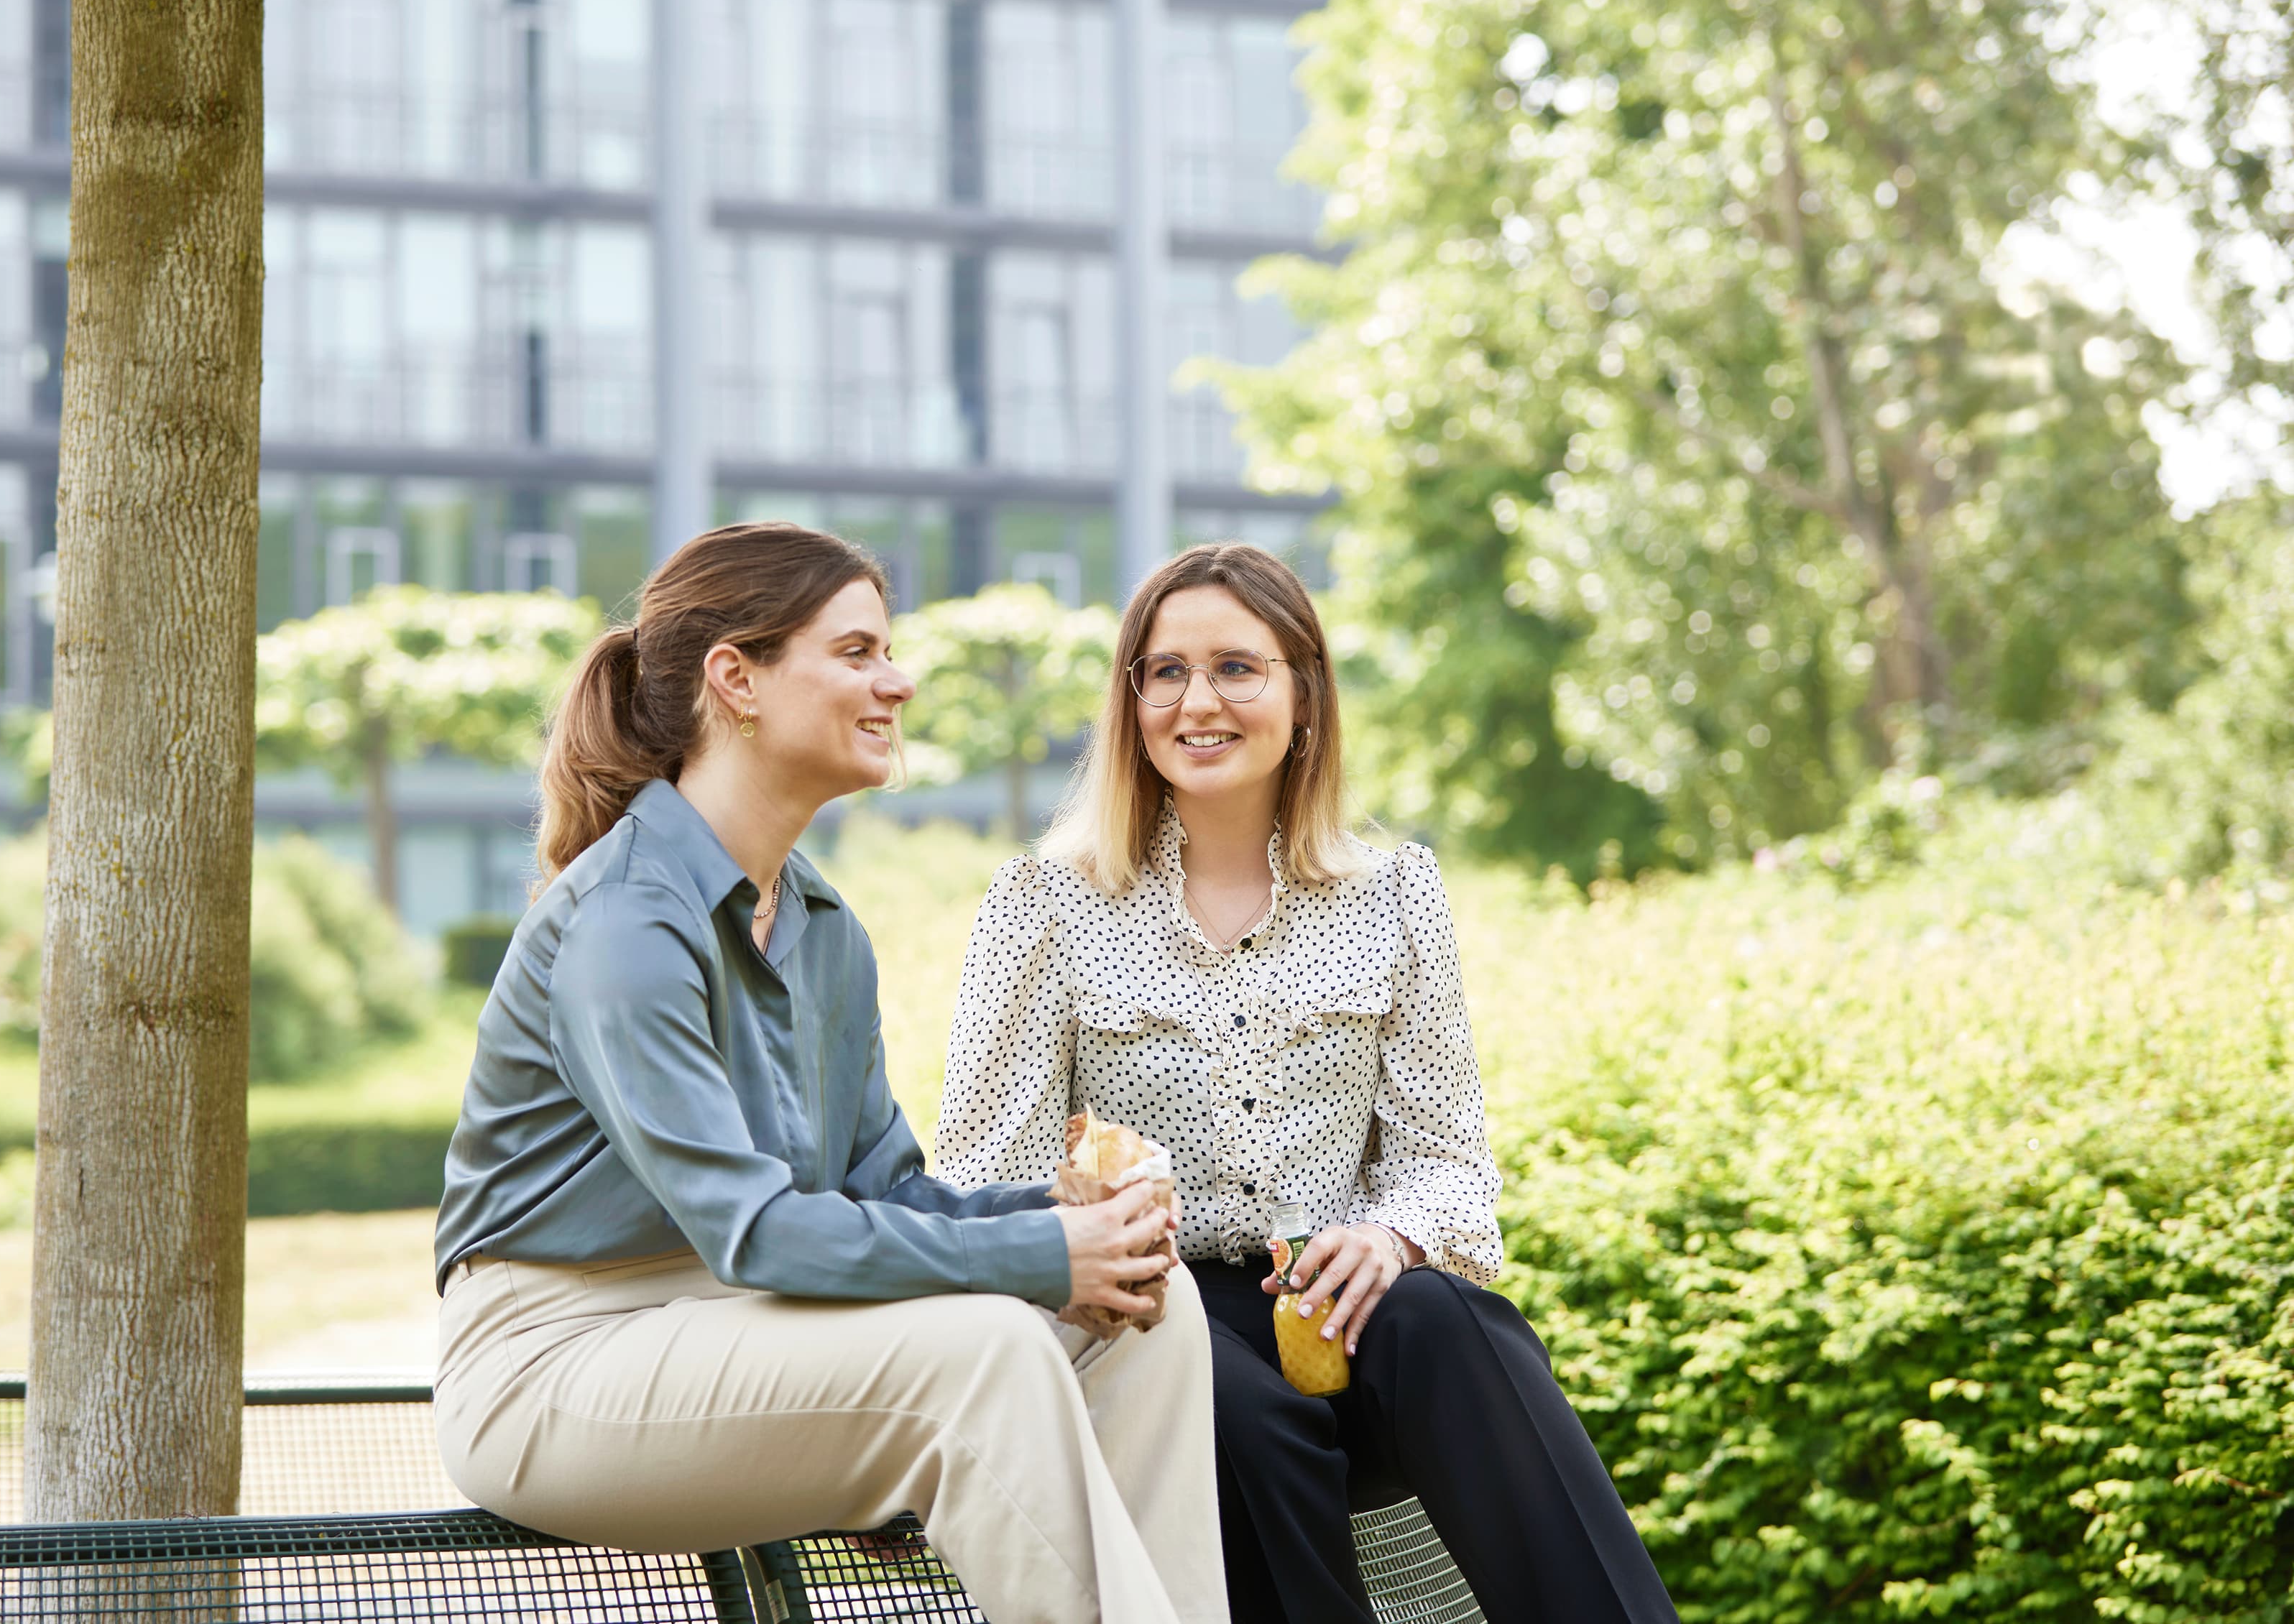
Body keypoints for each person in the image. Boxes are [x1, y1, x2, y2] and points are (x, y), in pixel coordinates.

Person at [433, 522, 1229, 1624]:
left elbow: (883, 1190)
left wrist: (1057, 1216)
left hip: (747, 1328)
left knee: (1149, 1310)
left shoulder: (819, 925)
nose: (896, 682)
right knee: (989, 1347)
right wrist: (1038, 1255)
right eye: (856, 653)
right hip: (557, 1367)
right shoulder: (625, 924)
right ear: (737, 680)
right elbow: (755, 1231)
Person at [934, 542, 1680, 1624]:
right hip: (1151, 1313)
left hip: (1336, 1297)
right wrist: (1086, 1230)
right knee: (1242, 1419)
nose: (1199, 701)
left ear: (1305, 696)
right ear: (1131, 697)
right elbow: (980, 1177)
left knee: (1454, 1325)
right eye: (1167, 671)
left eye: (1238, 667)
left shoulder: (1394, 895)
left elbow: (1446, 1160)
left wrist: (1390, 1240)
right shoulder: (1045, 906)